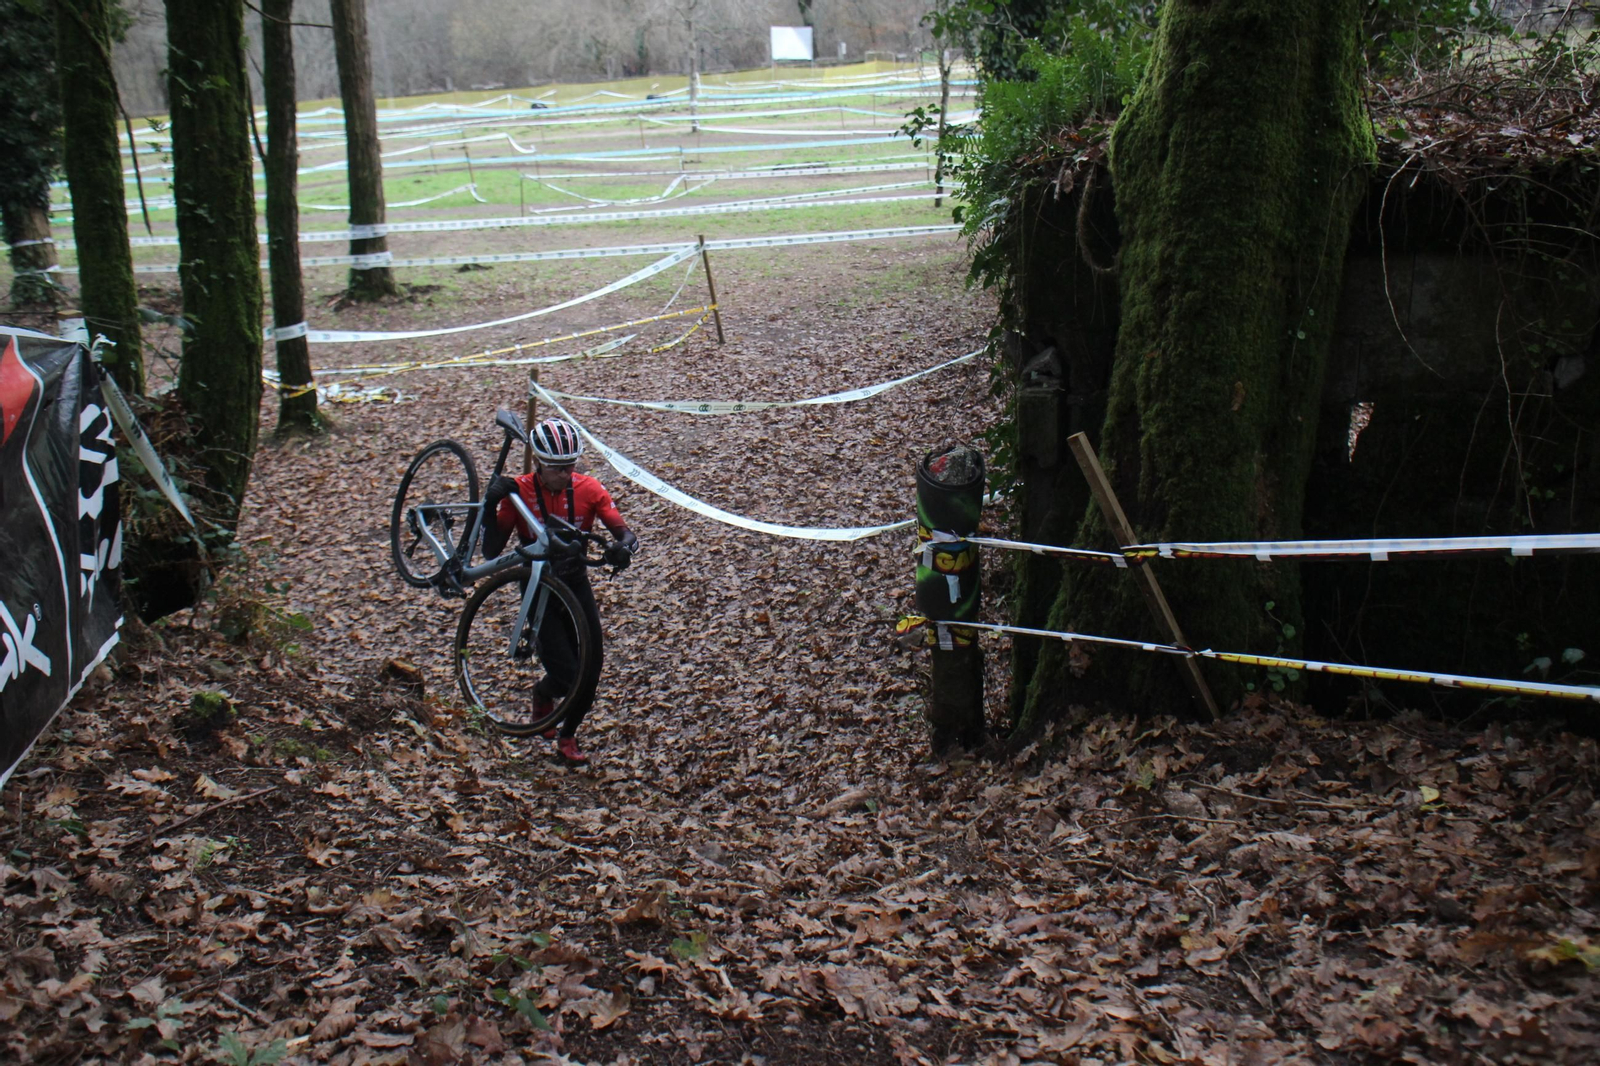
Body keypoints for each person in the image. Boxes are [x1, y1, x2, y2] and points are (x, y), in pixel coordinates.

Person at [479, 417, 639, 765]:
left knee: (592, 668)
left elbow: (625, 534)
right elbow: (491, 551)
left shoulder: (590, 489)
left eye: (570, 466)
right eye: (556, 468)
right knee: (568, 674)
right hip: (539, 588)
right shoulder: (518, 491)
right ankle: (544, 691)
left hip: (575, 581)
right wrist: (491, 507)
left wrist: (623, 550)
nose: (565, 474)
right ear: (538, 463)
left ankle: (567, 737)